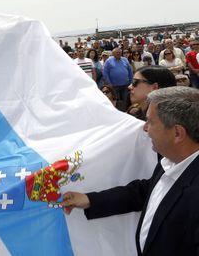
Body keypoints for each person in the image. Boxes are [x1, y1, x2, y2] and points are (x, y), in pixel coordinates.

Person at [63, 86, 199, 256]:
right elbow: (145, 192)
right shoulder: (170, 162)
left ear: (177, 133)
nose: (145, 128)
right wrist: (90, 199)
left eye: (150, 121)